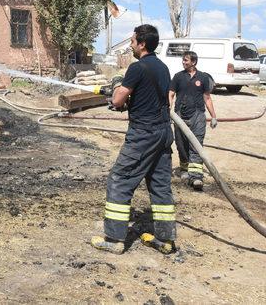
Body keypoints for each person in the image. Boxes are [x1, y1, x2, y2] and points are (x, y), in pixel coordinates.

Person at [91, 24, 176, 255]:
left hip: (143, 135)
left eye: (132, 41)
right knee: (160, 185)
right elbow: (147, 97)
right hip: (163, 133)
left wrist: (117, 85)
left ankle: (115, 239)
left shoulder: (137, 68)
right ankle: (165, 240)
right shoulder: (162, 67)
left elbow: (118, 100)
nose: (130, 44)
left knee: (119, 180)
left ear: (142, 44)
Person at [168, 51, 218, 191]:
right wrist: (169, 111)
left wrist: (213, 116)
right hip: (180, 115)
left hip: (197, 116)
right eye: (183, 60)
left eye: (186, 60)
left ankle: (196, 176)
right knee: (181, 143)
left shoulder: (202, 77)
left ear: (194, 62)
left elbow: (207, 97)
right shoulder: (178, 76)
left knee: (197, 144)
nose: (183, 62)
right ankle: (184, 169)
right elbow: (171, 94)